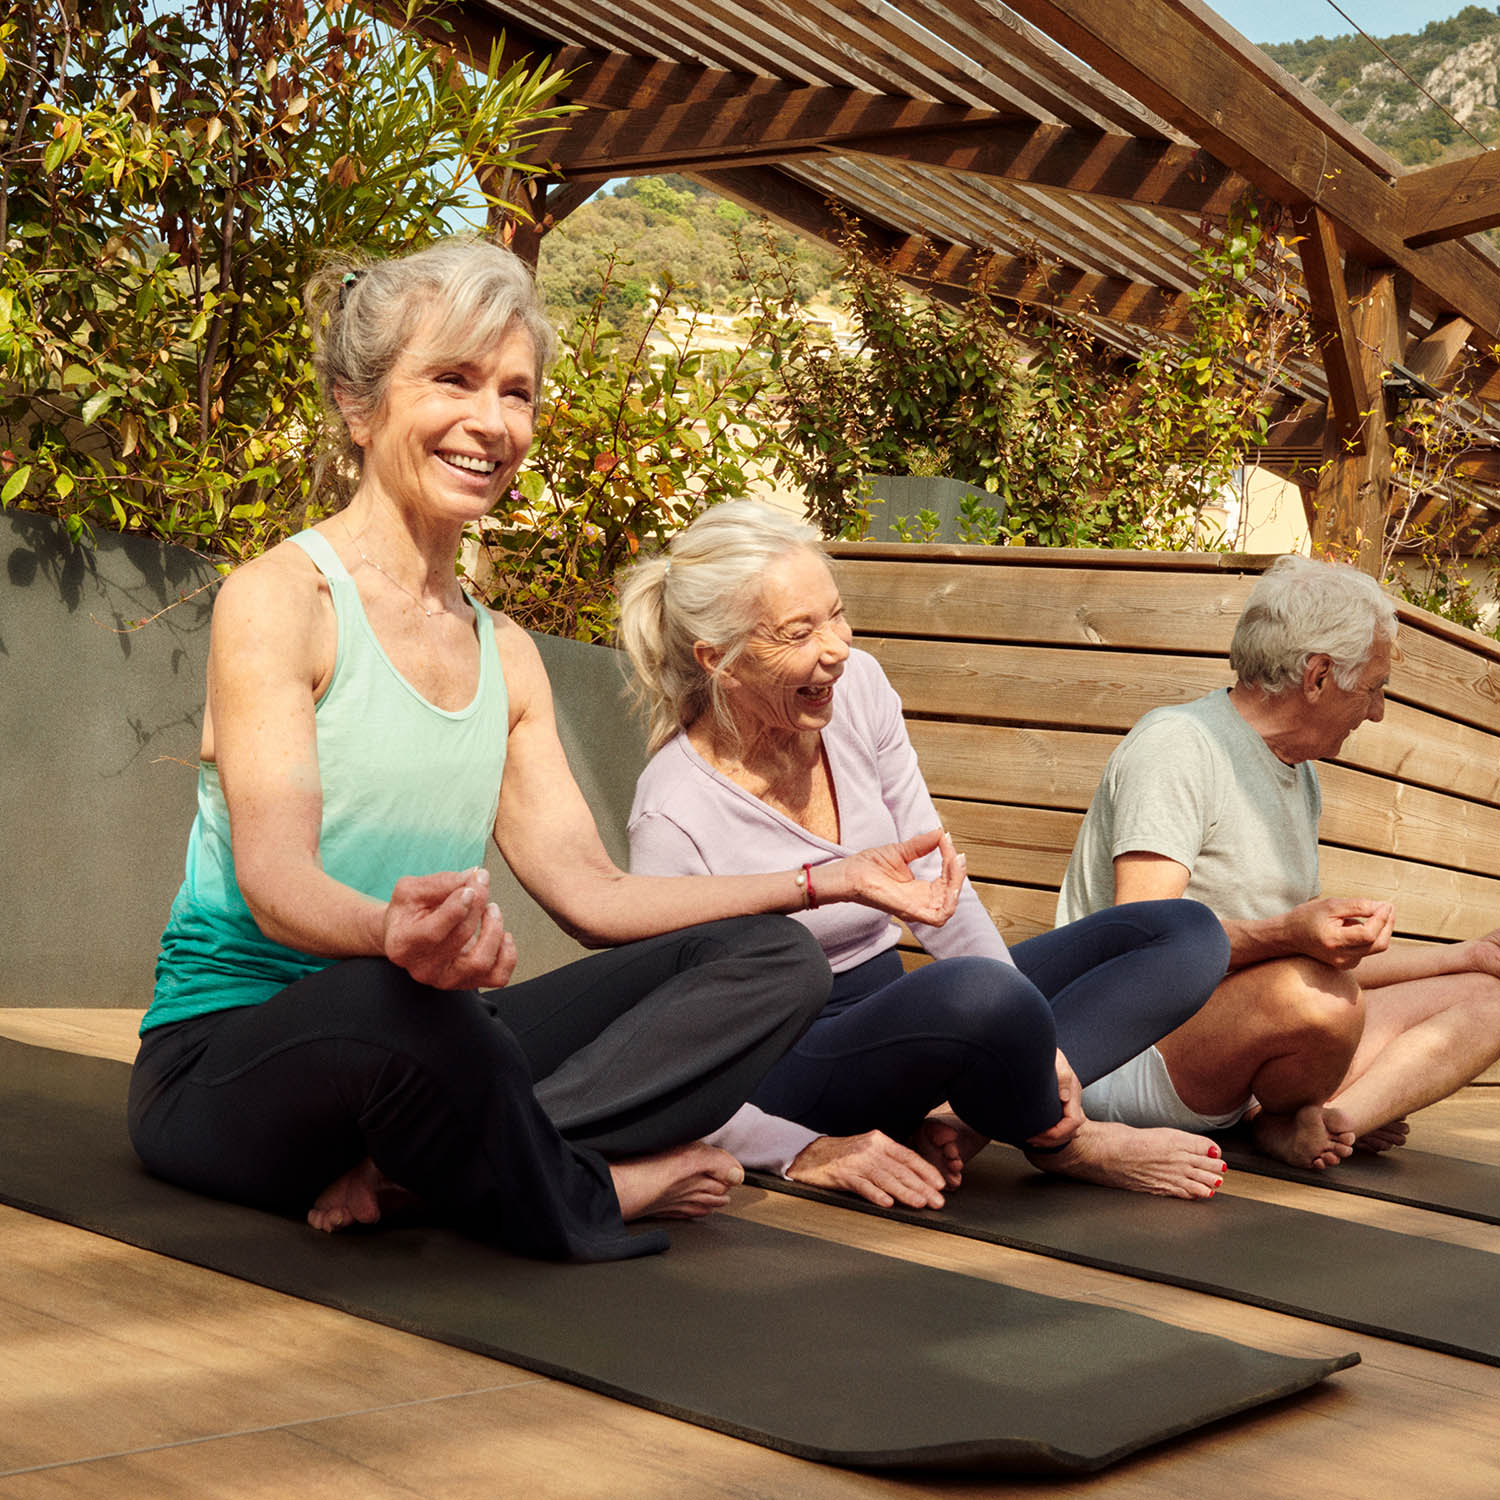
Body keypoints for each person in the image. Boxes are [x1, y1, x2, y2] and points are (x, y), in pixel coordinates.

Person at [126, 240, 969, 1263]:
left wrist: (822, 879)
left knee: (773, 960)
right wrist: (395, 937)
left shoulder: (505, 653)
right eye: (453, 379)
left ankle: (425, 1170)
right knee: (404, 1005)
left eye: (516, 392)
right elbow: (274, 883)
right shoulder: (282, 601)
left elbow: (595, 896)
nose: (492, 421)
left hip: (432, 1040)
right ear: (360, 407)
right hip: (233, 1064)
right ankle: (581, 1183)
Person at [618, 500, 1232, 1209]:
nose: (838, 647)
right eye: (800, 632)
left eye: (837, 614)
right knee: (977, 993)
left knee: (1183, 934)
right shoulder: (673, 810)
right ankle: (1064, 1141)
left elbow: (937, 884)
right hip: (795, 1062)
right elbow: (672, 1062)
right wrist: (800, 1151)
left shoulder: (857, 692)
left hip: (908, 1013)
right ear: (719, 663)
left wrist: (1035, 1045)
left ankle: (984, 1113)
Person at [1058, 553, 1500, 1170]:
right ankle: (1283, 1119)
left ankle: (1322, 1124)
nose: (1375, 712)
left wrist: (1468, 955)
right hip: (1133, 1055)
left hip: (1246, 1044)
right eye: (1372, 690)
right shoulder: (1180, 745)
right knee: (1318, 997)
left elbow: (1298, 968)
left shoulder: (1300, 777)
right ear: (1317, 677)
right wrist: (1290, 936)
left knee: (1487, 997)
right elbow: (1141, 947)